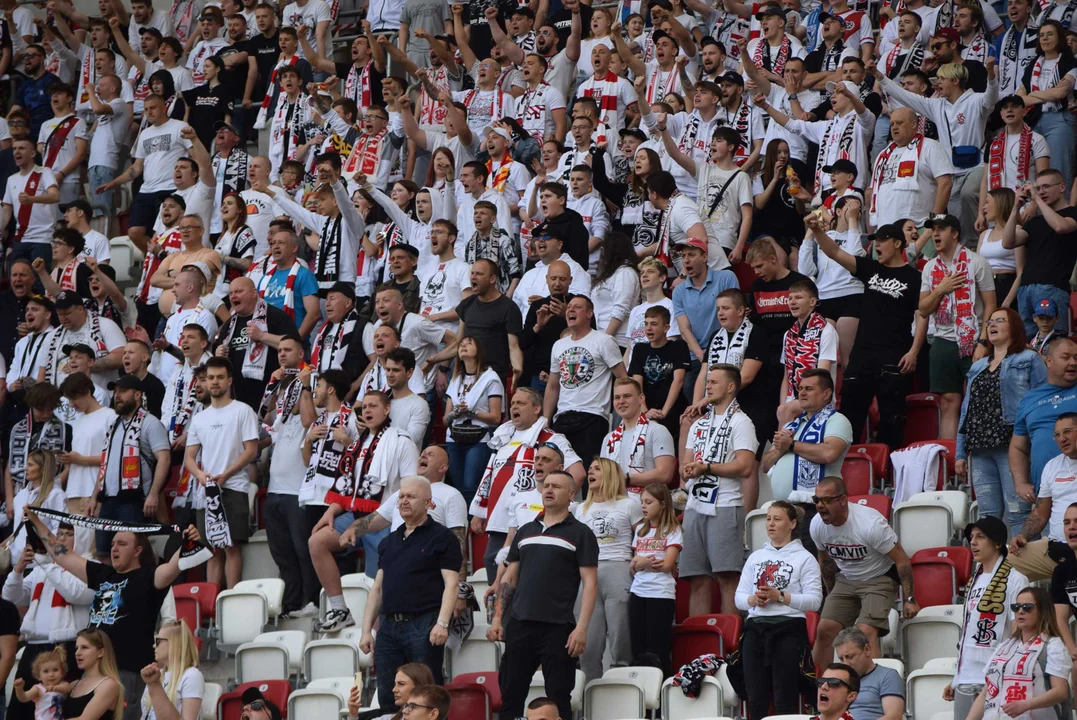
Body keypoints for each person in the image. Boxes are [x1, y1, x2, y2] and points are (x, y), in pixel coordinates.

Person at [25, 508, 203, 720]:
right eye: (112, 544)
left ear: (138, 550)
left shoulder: (149, 577)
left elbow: (175, 565)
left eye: (122, 544)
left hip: (127, 672)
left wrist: (189, 541)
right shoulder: (103, 573)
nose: (114, 548)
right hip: (93, 671)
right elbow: (62, 555)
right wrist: (36, 521)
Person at [488, 470, 598, 720]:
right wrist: (497, 618)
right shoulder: (525, 531)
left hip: (558, 628)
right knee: (510, 697)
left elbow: (590, 584)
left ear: (571, 494)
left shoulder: (581, 533)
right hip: (520, 624)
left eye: (556, 486)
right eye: (546, 485)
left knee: (559, 699)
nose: (548, 490)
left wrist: (581, 628)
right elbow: (509, 578)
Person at [311, 391, 419, 630]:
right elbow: (349, 487)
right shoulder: (358, 443)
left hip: (386, 520)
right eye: (364, 407)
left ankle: (382, 650)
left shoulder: (401, 441)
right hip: (355, 515)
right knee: (316, 542)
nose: (367, 411)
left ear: (387, 410)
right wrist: (331, 511)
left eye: (373, 406)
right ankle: (339, 609)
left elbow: (410, 488)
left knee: (377, 593)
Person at [358, 476, 462, 707]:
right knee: (388, 695)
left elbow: (452, 584)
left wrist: (442, 623)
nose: (404, 501)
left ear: (428, 502)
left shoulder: (443, 538)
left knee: (427, 695)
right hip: (388, 627)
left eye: (411, 496)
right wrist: (366, 631)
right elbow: (377, 589)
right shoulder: (389, 541)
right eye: (401, 496)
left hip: (424, 624)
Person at [811, 476, 919, 669]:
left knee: (865, 632)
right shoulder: (817, 526)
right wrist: (831, 594)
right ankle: (820, 687)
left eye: (826, 500)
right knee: (824, 629)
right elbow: (825, 561)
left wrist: (909, 598)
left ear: (843, 500)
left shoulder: (870, 524)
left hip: (879, 577)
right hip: (846, 577)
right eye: (816, 500)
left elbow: (902, 559)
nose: (820, 505)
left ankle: (871, 691)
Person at [957, 308, 1047, 533]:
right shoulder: (977, 366)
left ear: (1014, 326)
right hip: (979, 449)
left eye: (1000, 320)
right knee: (987, 516)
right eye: (990, 322)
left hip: (1012, 446)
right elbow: (966, 410)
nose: (992, 325)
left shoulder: (1029, 358)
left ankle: (1023, 567)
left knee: (1018, 512)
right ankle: (991, 567)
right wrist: (959, 453)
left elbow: (1042, 400)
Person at [681, 364, 757, 616]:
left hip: (725, 505)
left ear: (731, 387)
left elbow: (745, 467)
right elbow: (686, 464)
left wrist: (707, 468)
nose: (708, 386)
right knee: (697, 580)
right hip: (694, 506)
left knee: (727, 579)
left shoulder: (742, 421)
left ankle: (730, 650)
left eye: (714, 382)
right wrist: (690, 469)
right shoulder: (698, 424)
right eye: (708, 381)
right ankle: (700, 652)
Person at [736, 500, 820, 720]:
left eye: (777, 519)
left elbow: (815, 601)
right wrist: (754, 599)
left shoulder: (805, 558)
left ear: (792, 524)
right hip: (755, 630)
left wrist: (780, 597)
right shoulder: (756, 557)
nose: (771, 524)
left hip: (789, 630)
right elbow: (739, 598)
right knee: (755, 700)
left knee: (785, 699)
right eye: (768, 519)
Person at [183, 357, 260, 589]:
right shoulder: (199, 418)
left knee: (232, 547)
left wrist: (226, 474)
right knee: (211, 550)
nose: (214, 382)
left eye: (219, 377)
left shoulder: (243, 411)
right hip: (206, 492)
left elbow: (252, 450)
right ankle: (212, 606)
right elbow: (189, 458)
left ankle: (233, 601)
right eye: (209, 378)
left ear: (229, 380)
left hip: (233, 487)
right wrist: (199, 475)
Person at [919, 214, 997, 439]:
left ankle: (979, 454)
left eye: (941, 229)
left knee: (981, 400)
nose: (935, 234)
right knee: (948, 402)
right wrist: (941, 289)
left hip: (974, 339)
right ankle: (951, 462)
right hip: (943, 341)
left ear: (954, 233)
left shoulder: (977, 262)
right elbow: (923, 309)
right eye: (933, 229)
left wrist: (984, 341)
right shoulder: (930, 268)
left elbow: (991, 304)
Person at [3, 522, 91, 720]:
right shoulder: (43, 568)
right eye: (59, 533)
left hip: (64, 648)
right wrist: (18, 570)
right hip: (33, 647)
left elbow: (76, 594)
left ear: (83, 538)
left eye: (69, 534)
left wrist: (47, 562)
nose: (61, 538)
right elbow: (10, 597)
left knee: (56, 711)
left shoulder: (89, 565)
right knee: (21, 710)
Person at [947, 516, 1029, 720]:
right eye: (971, 537)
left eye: (980, 537)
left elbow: (1019, 632)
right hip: (965, 677)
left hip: (996, 676)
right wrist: (955, 677)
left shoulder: (1016, 579)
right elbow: (968, 630)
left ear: (998, 543)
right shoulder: (974, 578)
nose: (973, 542)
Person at [1010, 337, 1077, 575]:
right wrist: (1020, 482)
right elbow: (1018, 446)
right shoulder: (1030, 399)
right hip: (1049, 490)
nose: (1073, 363)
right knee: (1011, 561)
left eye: (1076, 358)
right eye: (1066, 357)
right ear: (1048, 361)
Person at [573, 459, 642, 683]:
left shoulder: (629, 504)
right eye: (590, 469)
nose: (590, 472)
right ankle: (590, 691)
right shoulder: (581, 508)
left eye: (596, 469)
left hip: (618, 566)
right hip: (586, 572)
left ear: (610, 474)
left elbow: (643, 537)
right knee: (588, 641)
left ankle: (623, 687)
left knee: (620, 635)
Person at [964, 587, 1071, 720]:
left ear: (1043, 610)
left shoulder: (1053, 646)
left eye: (1027, 607)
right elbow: (986, 693)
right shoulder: (1004, 646)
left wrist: (1026, 705)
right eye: (1016, 607)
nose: (1020, 611)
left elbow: (1060, 692)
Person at [544, 295, 627, 465]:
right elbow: (553, 386)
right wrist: (546, 420)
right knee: (559, 472)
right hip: (562, 417)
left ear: (589, 314)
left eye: (577, 307)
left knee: (589, 474)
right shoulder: (558, 345)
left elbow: (622, 378)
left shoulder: (603, 341)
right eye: (569, 308)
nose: (570, 310)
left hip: (593, 416)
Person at [764, 365, 854, 513]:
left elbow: (829, 453)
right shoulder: (792, 424)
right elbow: (765, 465)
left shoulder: (837, 420)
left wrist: (791, 445)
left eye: (809, 389)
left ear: (826, 394)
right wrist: (781, 449)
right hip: (786, 510)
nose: (802, 393)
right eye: (800, 389)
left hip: (817, 506)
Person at [1002, 170, 1077, 338]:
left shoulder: (1072, 213)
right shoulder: (1035, 221)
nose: (1041, 191)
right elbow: (1007, 242)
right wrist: (1015, 208)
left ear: (1062, 187)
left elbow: (1061, 227)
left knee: (1052, 343)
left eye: (1046, 187)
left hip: (1053, 287)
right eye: (1038, 188)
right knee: (1027, 343)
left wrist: (1035, 199)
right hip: (1026, 289)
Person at [213, 277, 302, 410]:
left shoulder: (275, 316)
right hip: (237, 398)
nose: (233, 296)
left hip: (271, 396)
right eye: (231, 293)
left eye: (238, 291)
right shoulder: (229, 324)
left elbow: (295, 346)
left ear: (254, 293)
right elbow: (217, 354)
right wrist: (218, 353)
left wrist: (262, 336)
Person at [627, 482, 681, 676]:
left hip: (661, 594)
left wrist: (641, 563)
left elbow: (667, 565)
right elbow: (632, 568)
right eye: (642, 502)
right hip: (638, 592)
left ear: (663, 503)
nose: (643, 506)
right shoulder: (641, 529)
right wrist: (642, 563)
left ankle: (661, 696)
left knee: (658, 648)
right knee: (638, 648)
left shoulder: (673, 529)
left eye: (648, 502)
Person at [444, 337, 504, 507]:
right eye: (461, 344)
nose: (463, 345)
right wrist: (456, 413)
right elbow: (445, 418)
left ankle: (471, 527)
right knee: (457, 488)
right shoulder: (455, 380)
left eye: (469, 343)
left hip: (479, 437)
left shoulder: (491, 378)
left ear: (479, 351)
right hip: (454, 437)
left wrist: (472, 412)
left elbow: (496, 417)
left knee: (471, 487)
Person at [1, 138, 60, 266]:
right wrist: (2, 227)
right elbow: (7, 207)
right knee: (16, 279)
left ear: (32, 154)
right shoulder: (11, 179)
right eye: (14, 148)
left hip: (42, 238)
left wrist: (32, 199)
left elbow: (55, 196)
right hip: (20, 238)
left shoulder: (44, 172)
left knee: (39, 281)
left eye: (21, 148)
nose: (17, 152)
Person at [835, 627, 906, 720]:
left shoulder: (888, 676)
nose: (845, 664)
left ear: (867, 650)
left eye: (850, 657)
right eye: (841, 659)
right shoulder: (841, 680)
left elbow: (893, 717)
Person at [137, 620, 203, 720]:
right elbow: (145, 715)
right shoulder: (157, 675)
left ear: (173, 643)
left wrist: (154, 685)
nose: (154, 645)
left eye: (158, 641)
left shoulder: (191, 675)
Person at [61, 629, 123, 720]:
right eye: (76, 648)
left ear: (101, 652)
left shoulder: (108, 684)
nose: (77, 653)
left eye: (84, 647)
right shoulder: (73, 685)